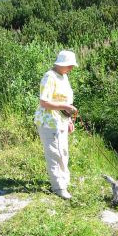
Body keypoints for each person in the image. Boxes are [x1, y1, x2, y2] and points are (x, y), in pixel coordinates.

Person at [34, 50, 78, 199]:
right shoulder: (49, 77)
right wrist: (65, 108)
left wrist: (69, 119)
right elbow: (44, 102)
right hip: (48, 122)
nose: (71, 68)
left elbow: (65, 101)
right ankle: (58, 187)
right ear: (61, 64)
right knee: (54, 154)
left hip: (61, 121)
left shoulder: (64, 76)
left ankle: (64, 181)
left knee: (63, 152)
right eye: (70, 65)